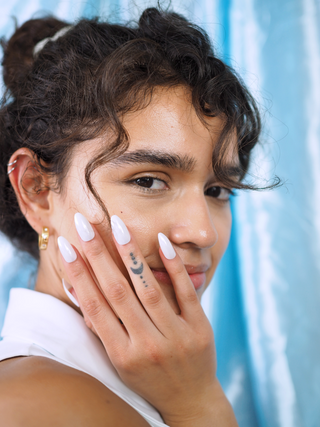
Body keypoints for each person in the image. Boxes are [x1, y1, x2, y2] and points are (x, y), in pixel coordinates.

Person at [0, 7, 262, 426]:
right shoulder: (34, 402)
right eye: (148, 181)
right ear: (36, 189)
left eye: (217, 190)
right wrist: (199, 404)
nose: (202, 232)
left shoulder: (145, 385)